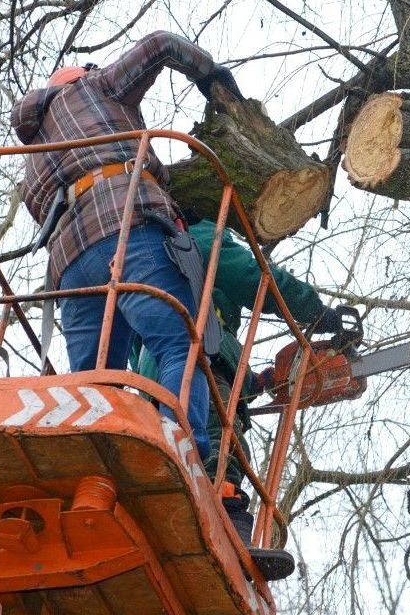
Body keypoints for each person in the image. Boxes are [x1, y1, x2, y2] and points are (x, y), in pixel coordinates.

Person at [11, 31, 245, 462]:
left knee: (96, 380)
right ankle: (181, 448)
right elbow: (160, 45)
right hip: (128, 231)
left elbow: (36, 207)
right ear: (80, 77)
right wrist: (209, 73)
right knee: (178, 344)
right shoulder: (94, 87)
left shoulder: (35, 151)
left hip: (71, 268)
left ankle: (96, 463)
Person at [130, 216, 343, 541]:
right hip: (200, 355)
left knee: (176, 441)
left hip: (155, 376)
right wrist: (316, 312)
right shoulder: (196, 231)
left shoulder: (138, 255)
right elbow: (254, 277)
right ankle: (227, 515)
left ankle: (172, 510)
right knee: (216, 436)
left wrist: (253, 382)